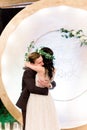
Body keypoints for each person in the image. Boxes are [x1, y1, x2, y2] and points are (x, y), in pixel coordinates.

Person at [16, 47, 56, 130]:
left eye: (42, 61)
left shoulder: (44, 69)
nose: (42, 63)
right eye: (39, 62)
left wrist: (49, 85)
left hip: (40, 101)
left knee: (42, 123)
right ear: (33, 62)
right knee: (29, 125)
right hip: (28, 101)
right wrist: (46, 91)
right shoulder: (28, 71)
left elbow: (53, 82)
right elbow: (32, 88)